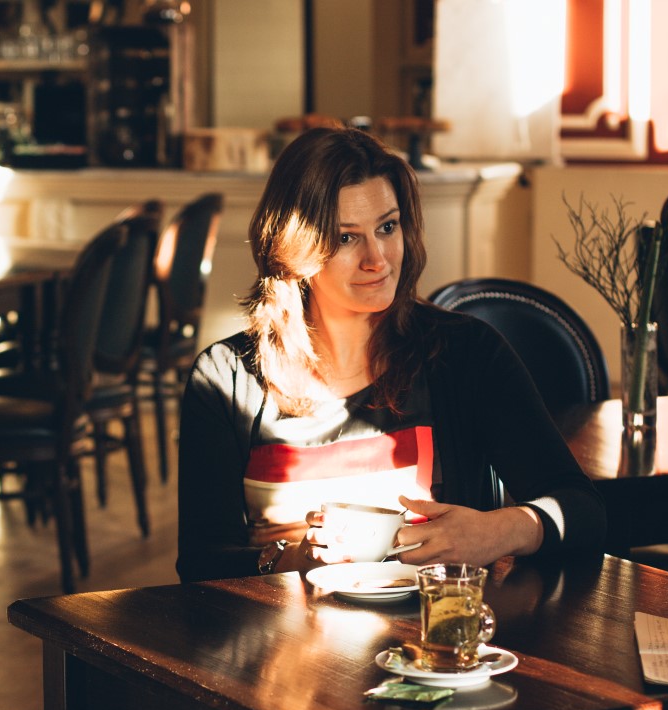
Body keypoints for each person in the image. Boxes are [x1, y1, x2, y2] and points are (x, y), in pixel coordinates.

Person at [176, 126, 606, 583]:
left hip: (430, 643)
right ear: (294, 247)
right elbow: (201, 565)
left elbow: (584, 511)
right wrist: (289, 561)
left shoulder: (467, 354)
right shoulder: (225, 378)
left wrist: (500, 531)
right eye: (345, 238)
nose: (377, 259)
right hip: (281, 645)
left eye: (387, 226)